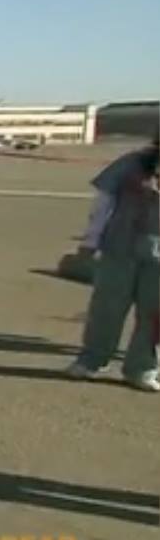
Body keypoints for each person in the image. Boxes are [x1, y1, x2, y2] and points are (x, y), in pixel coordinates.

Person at [66, 140, 159, 392]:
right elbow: (102, 204)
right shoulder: (131, 164)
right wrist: (90, 240)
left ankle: (143, 368)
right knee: (107, 308)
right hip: (120, 247)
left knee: (154, 316)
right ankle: (91, 360)